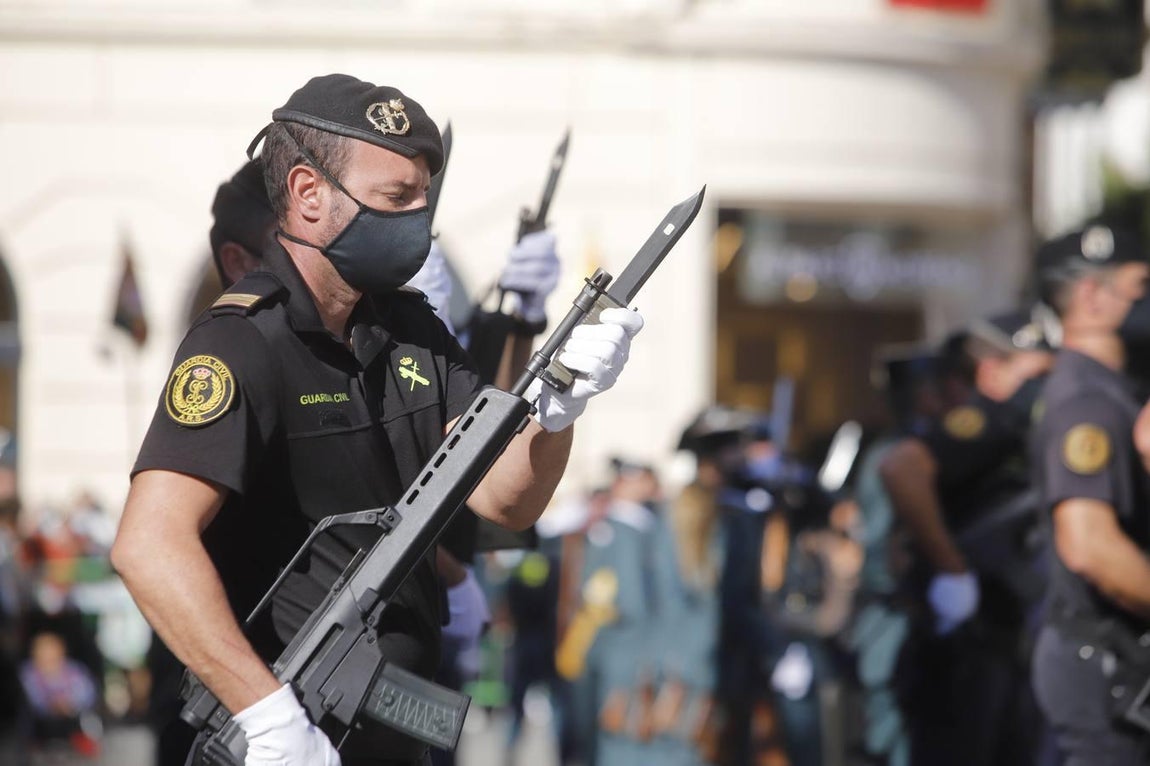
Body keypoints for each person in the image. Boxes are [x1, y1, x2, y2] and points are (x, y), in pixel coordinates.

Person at [111, 73, 644, 766]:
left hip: (387, 729)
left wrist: (559, 405)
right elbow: (148, 545)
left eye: (423, 199)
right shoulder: (240, 343)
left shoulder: (409, 331)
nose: (419, 219)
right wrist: (268, 715)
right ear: (307, 195)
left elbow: (504, 497)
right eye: (397, 199)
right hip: (286, 738)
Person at [880, 309, 1054, 766]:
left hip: (1007, 641)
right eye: (1035, 373)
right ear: (992, 372)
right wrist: (953, 569)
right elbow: (901, 468)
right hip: (973, 646)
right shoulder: (992, 421)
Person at [1029, 224, 1150, 765]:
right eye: (1140, 286)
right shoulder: (1087, 401)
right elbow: (1089, 546)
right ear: (1092, 296)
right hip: (1104, 660)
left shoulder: (1111, 394)